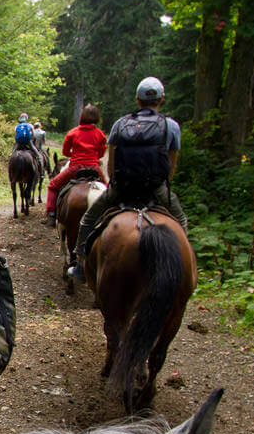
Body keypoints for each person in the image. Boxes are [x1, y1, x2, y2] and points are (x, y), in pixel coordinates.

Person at [68, 77, 188, 282]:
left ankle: (80, 265)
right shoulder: (171, 126)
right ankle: (185, 269)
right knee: (181, 220)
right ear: (161, 99)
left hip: (122, 188)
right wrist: (161, 184)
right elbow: (171, 164)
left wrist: (116, 183)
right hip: (155, 188)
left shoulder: (120, 124)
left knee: (88, 219)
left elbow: (112, 164)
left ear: (137, 100)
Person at [44, 103, 109, 226]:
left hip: (75, 167)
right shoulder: (100, 134)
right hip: (94, 167)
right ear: (96, 118)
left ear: (82, 116)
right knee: (107, 188)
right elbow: (101, 153)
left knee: (52, 185)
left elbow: (65, 152)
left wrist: (74, 154)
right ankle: (110, 213)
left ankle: (51, 214)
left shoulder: (72, 133)